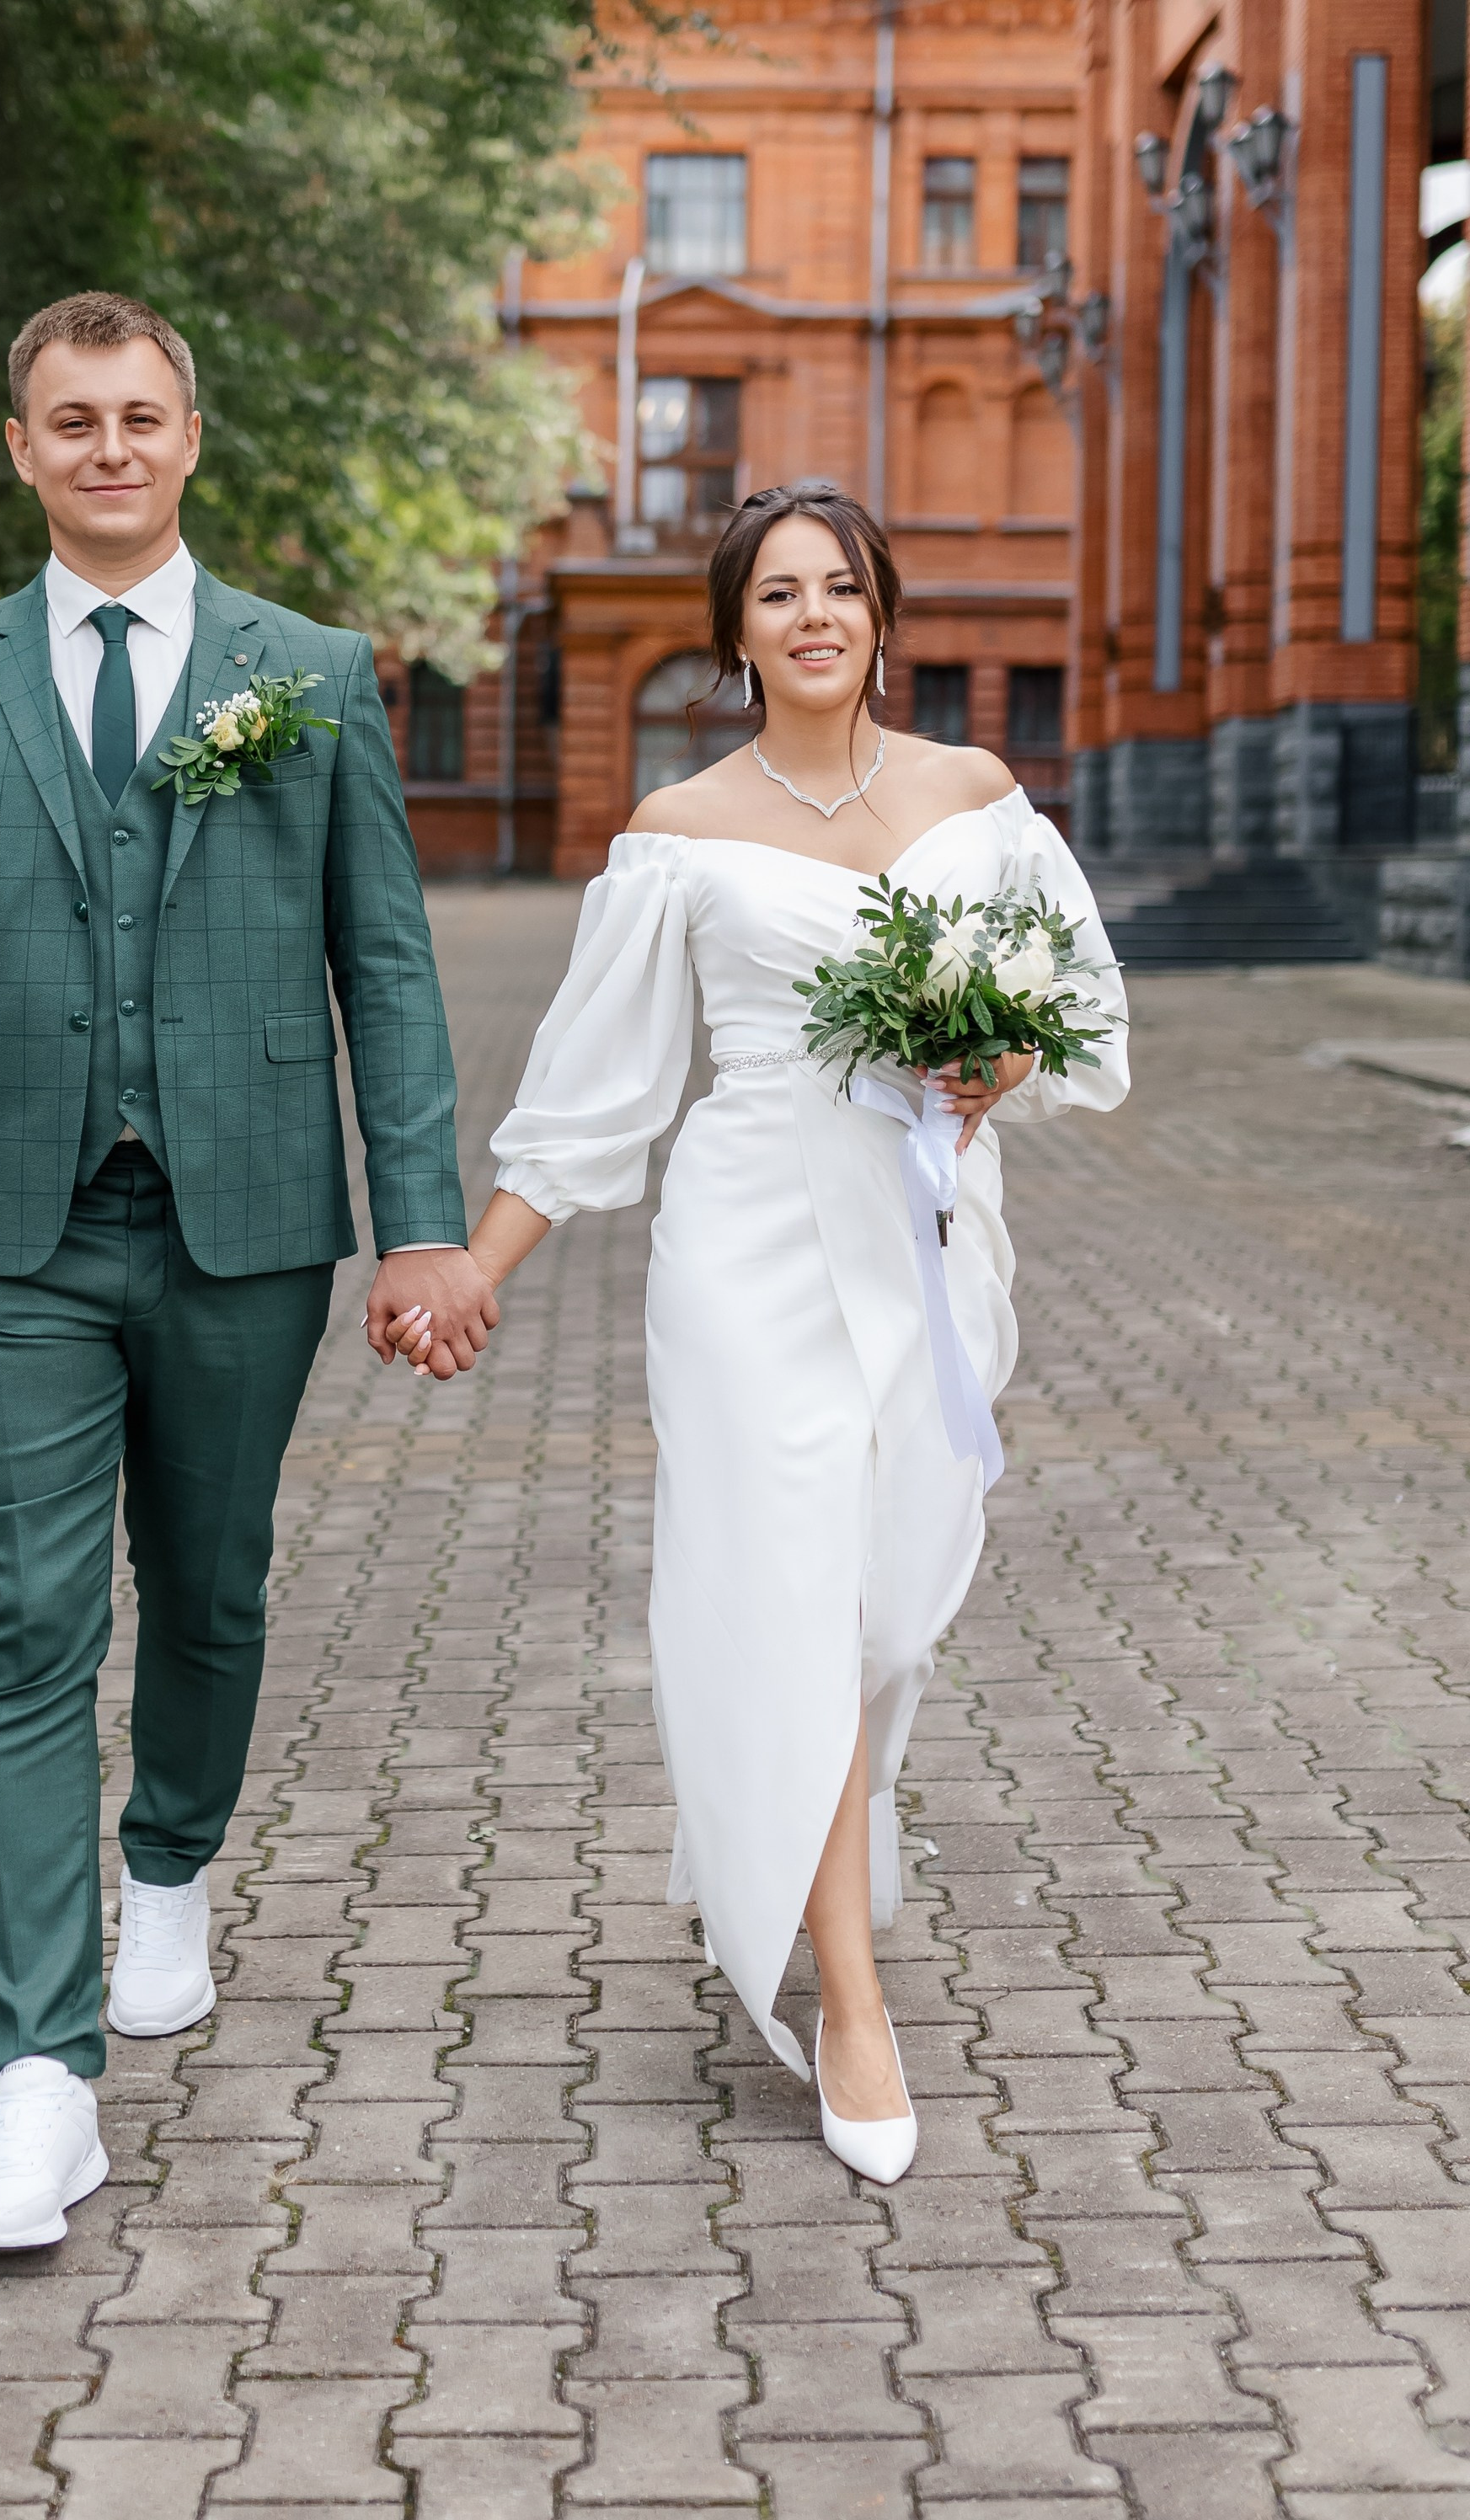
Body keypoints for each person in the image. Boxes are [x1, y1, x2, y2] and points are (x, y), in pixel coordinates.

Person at [0, 289, 498, 2250]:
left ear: (189, 439)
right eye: (69, 421)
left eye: (137, 417)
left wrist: (421, 1215)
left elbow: (383, 961)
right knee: (21, 1630)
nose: (107, 448)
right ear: (18, 450)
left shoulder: (311, 671)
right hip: (3, 1235)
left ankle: (171, 1859)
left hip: (247, 1219)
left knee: (205, 1581)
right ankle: (37, 2078)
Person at [404, 481, 1127, 2186]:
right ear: (734, 630)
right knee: (786, 1597)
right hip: (744, 1246)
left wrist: (998, 1063)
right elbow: (593, 1093)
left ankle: (805, 1829)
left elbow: (1075, 1010)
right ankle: (844, 1996)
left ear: (881, 617)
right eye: (778, 593)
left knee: (881, 1607)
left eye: (841, 589)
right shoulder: (678, 827)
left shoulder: (976, 798)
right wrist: (478, 1266)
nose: (813, 616)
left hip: (924, 1231)